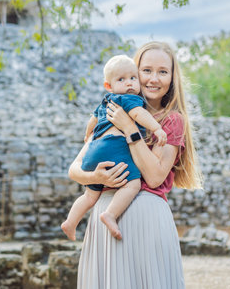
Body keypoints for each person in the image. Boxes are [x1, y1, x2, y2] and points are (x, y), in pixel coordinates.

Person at [68, 41, 203, 289]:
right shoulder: (111, 108)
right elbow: (75, 169)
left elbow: (153, 177)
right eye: (147, 70)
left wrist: (130, 128)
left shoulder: (171, 121)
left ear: (172, 78)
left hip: (147, 219)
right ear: (134, 72)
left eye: (163, 71)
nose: (154, 78)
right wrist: (98, 177)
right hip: (105, 215)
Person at [61, 55, 167, 241]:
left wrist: (88, 135)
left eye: (133, 78)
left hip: (94, 149)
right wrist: (156, 127)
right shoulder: (128, 99)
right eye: (122, 79)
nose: (129, 84)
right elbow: (139, 114)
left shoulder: (106, 101)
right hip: (114, 147)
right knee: (133, 184)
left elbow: (92, 119)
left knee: (89, 196)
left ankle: (70, 222)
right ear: (109, 85)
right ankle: (110, 214)